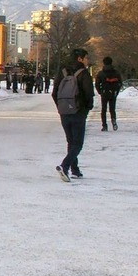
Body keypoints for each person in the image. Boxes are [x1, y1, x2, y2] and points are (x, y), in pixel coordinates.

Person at [53, 47, 95, 181]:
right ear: (80, 59)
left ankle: (75, 169)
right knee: (78, 143)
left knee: (71, 141)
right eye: (86, 58)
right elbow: (89, 94)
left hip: (64, 111)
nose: (88, 60)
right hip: (78, 112)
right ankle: (64, 166)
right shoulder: (84, 73)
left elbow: (55, 93)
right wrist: (87, 108)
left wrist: (61, 107)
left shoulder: (63, 72)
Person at [95, 55, 123, 131]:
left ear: (104, 63)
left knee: (103, 110)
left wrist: (100, 92)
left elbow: (97, 84)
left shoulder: (101, 73)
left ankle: (104, 125)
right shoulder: (116, 73)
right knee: (112, 109)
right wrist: (116, 91)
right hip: (113, 92)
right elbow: (120, 82)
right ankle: (114, 122)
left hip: (104, 92)